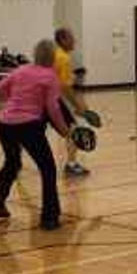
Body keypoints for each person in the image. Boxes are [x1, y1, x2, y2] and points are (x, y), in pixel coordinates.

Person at [0, 39, 72, 230]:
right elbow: (53, 108)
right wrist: (64, 131)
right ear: (53, 57)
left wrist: (15, 101)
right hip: (28, 126)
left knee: (12, 163)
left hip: (4, 124)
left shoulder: (21, 70)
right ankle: (49, 218)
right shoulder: (51, 76)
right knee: (48, 169)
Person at [54, 27, 91, 178]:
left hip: (42, 98)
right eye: (71, 38)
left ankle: (15, 160)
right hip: (51, 99)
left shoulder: (53, 54)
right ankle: (71, 165)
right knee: (73, 130)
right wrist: (79, 106)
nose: (74, 41)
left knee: (31, 131)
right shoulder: (63, 58)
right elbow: (65, 88)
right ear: (62, 40)